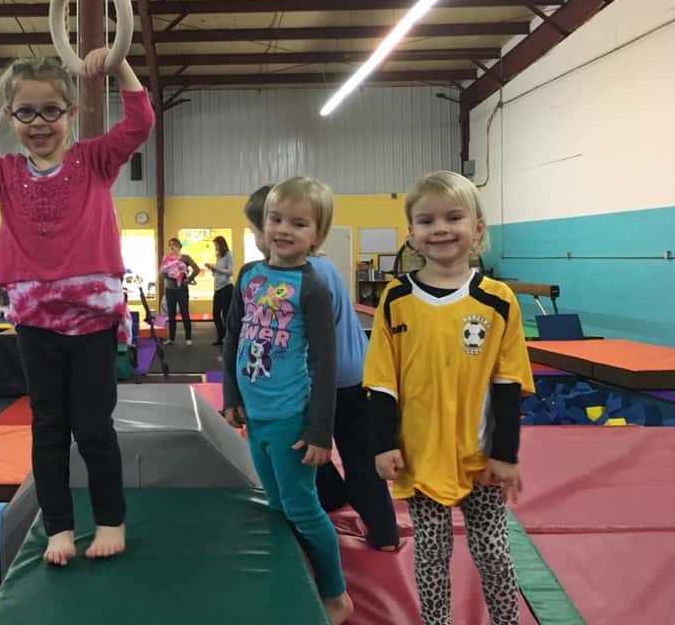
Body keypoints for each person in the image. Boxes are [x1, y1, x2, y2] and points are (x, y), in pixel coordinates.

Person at [0, 49, 153, 565]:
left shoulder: (94, 161)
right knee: (47, 427)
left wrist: (118, 66)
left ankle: (110, 520)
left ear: (70, 113)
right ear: (9, 116)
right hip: (35, 320)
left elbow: (140, 122)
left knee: (92, 426)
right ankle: (60, 528)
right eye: (25, 112)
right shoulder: (3, 174)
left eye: (50, 111)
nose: (38, 123)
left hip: (92, 320)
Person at [364, 170, 534, 625]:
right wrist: (383, 444)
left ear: (477, 227)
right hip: (420, 456)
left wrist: (506, 454)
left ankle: (506, 621)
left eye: (454, 217)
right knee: (431, 555)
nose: (440, 228)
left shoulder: (498, 300)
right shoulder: (396, 298)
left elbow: (508, 382)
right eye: (426, 220)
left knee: (494, 552)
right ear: (412, 234)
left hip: (479, 457)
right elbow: (382, 381)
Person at [223, 177, 353, 625]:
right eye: (275, 219)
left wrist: (319, 433)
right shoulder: (249, 275)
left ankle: (337, 595)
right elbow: (234, 339)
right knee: (275, 504)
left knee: (302, 507)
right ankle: (292, 570)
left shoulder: (312, 286)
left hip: (291, 418)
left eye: (298, 224)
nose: (282, 229)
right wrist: (231, 395)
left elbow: (325, 362)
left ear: (316, 235)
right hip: (255, 415)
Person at [244, 185, 399, 551]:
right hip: (345, 373)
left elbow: (315, 345)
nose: (263, 238)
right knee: (303, 449)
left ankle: (385, 534)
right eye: (271, 223)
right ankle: (331, 496)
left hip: (341, 381)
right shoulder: (310, 268)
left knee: (358, 459)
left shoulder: (310, 275)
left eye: (254, 233)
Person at [159, 237, 199, 345]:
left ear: (179, 246)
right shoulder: (166, 258)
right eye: (170, 245)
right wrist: (165, 274)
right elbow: (162, 273)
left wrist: (188, 279)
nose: (172, 247)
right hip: (170, 289)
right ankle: (171, 338)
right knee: (171, 314)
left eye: (174, 245)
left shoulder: (185, 258)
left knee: (184, 313)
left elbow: (197, 268)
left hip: (182, 289)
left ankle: (188, 338)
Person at [205, 235, 234, 346]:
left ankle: (228, 338)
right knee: (215, 313)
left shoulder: (228, 254)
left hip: (226, 288)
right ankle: (220, 336)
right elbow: (219, 271)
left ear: (221, 244)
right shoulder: (218, 256)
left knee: (226, 314)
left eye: (216, 245)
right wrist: (213, 270)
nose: (215, 247)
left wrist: (215, 268)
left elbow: (230, 272)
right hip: (217, 288)